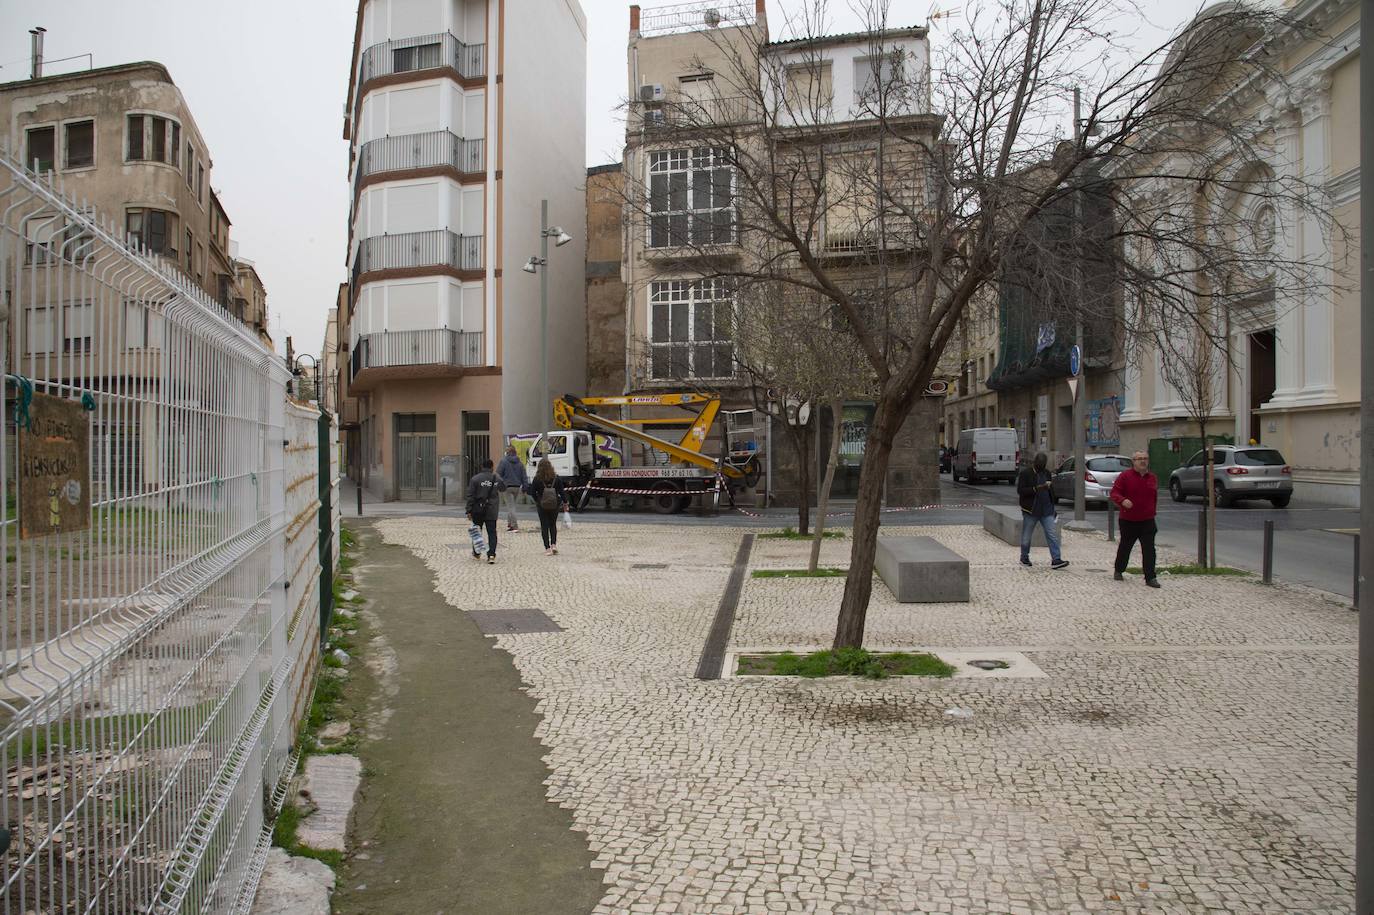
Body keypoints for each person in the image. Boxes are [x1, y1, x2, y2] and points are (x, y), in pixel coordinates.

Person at [1110, 450, 1160, 588]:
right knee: (1125, 547)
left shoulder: (1152, 477)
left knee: (1149, 549)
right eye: (1139, 459)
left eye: (1145, 458)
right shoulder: (1125, 476)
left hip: (1147, 520)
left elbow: (1154, 497)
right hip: (1129, 519)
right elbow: (1114, 493)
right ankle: (1119, 569)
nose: (1143, 461)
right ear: (1134, 461)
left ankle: (1150, 577)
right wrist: (1123, 500)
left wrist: (1152, 511)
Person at [1015, 452, 1069, 569]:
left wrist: (1052, 504)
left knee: (1052, 535)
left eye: (1043, 465)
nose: (1041, 467)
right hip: (1031, 510)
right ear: (1035, 463)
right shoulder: (1026, 474)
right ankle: (1024, 557)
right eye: (1040, 464)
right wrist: (1036, 488)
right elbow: (1021, 491)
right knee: (1026, 535)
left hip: (1046, 509)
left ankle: (1056, 559)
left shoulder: (1047, 473)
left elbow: (1051, 491)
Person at [465, 458, 506, 564]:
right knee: (492, 532)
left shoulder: (475, 479)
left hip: (478, 509)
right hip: (492, 509)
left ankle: (477, 552)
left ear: (482, 467)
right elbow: (503, 488)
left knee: (477, 531)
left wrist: (468, 510)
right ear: (492, 467)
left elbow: (470, 496)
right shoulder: (497, 478)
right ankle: (491, 554)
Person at [527, 457, 567, 556]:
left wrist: (538, 501)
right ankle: (554, 544)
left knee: (544, 526)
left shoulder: (537, 479)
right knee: (553, 524)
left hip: (542, 505)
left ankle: (547, 548)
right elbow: (562, 492)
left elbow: (532, 492)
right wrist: (565, 502)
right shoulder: (556, 478)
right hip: (554, 505)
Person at [496, 445, 528, 532]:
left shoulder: (503, 461)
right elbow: (524, 477)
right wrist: (525, 488)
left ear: (508, 452)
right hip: (517, 487)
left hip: (507, 487)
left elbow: (498, 474)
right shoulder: (520, 463)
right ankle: (510, 524)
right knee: (513, 506)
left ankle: (514, 525)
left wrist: (500, 484)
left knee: (510, 507)